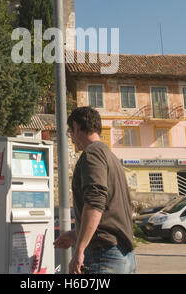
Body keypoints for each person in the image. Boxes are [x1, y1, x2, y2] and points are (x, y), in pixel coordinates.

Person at [54, 106, 136, 274]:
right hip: (123, 256)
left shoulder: (91, 154)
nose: (72, 138)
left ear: (76, 127)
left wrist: (79, 250)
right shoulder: (110, 156)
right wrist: (74, 235)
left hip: (103, 257)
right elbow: (107, 216)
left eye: (70, 132)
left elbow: (95, 203)